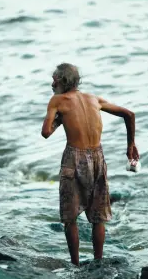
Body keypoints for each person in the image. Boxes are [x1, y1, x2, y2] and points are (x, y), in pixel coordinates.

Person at [41, 63, 139, 266]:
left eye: (54, 79)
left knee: (70, 217)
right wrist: (131, 145)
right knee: (98, 216)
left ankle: (75, 265)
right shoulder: (94, 99)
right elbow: (129, 114)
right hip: (97, 158)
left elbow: (45, 132)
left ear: (62, 81)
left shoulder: (57, 100)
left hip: (73, 158)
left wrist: (58, 120)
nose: (52, 84)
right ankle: (98, 262)